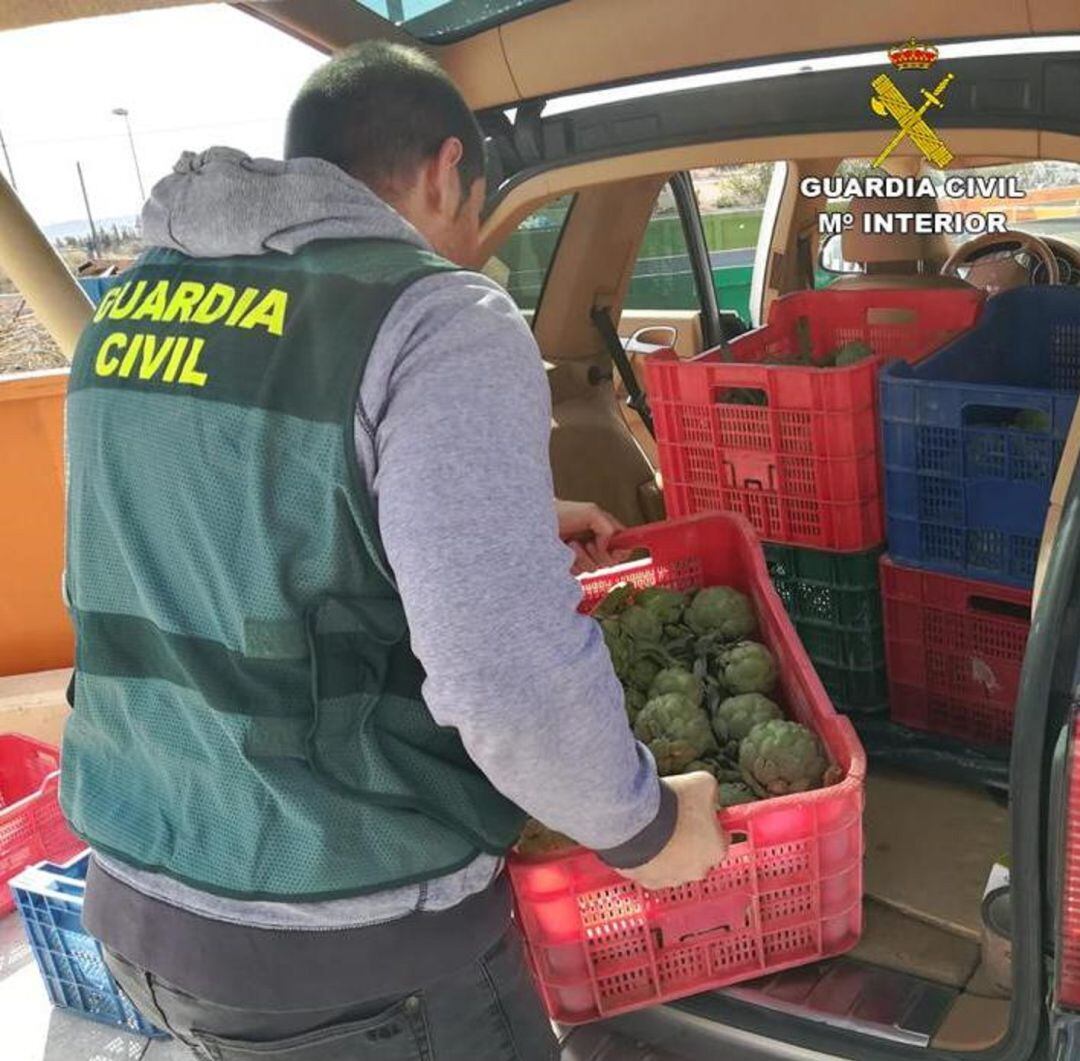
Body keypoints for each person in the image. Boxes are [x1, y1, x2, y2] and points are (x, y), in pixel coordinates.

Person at [59, 40, 726, 1060]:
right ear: (448, 170)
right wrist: (643, 828)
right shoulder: (436, 314)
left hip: (144, 902)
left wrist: (496, 514)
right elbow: (503, 674)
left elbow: (217, 518)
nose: (468, 245)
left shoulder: (132, 305)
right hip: (351, 943)